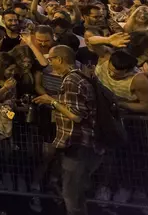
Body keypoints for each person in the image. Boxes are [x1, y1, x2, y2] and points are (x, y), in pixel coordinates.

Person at [33, 46, 102, 215]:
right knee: (76, 193)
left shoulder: (71, 80)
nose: (50, 63)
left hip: (78, 142)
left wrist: (52, 102)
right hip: (84, 142)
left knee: (71, 194)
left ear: (60, 60)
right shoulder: (80, 75)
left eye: (51, 59)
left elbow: (76, 115)